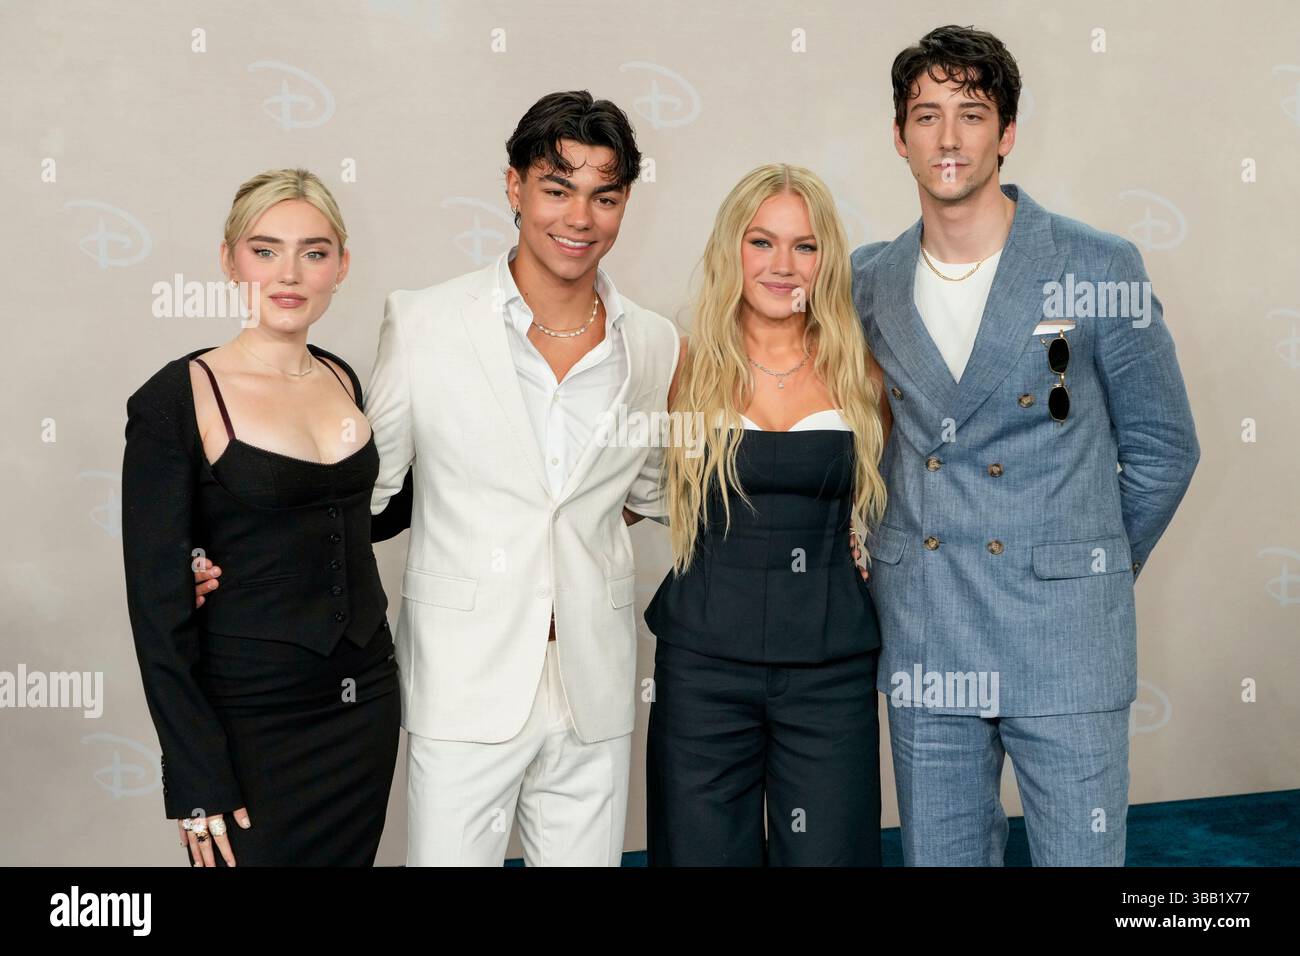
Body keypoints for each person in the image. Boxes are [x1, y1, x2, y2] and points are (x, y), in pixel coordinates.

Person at [850, 25, 1200, 865]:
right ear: (899, 136)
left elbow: (1164, 447)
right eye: (927, 116)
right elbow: (855, 434)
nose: (948, 137)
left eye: (971, 114)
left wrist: (1086, 563)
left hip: (1063, 636)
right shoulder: (867, 279)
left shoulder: (1098, 264)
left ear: (1006, 133)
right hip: (928, 630)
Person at [363, 91, 676, 865]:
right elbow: (366, 494)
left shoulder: (655, 343)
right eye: (557, 189)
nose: (580, 218)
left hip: (593, 682)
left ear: (624, 204)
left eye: (604, 196)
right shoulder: (425, 322)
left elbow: (644, 491)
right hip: (463, 681)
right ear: (514, 187)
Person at [122, 168, 410, 866]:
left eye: (314, 252)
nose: (289, 273)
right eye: (264, 250)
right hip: (250, 715)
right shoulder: (176, 397)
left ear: (341, 265)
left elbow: (357, 519)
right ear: (229, 260)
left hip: (363, 701)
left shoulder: (343, 377)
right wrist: (193, 775)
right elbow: (156, 611)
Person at [632, 164, 891, 865]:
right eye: (762, 242)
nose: (782, 265)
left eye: (804, 246)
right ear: (732, 249)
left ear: (826, 259)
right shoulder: (681, 368)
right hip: (702, 670)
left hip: (830, 670)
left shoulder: (862, 373)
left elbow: (914, 496)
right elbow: (618, 498)